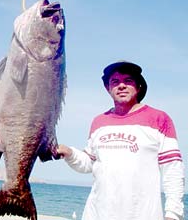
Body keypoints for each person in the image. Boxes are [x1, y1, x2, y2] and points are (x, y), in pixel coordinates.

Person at [57, 61, 185, 220]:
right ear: (108, 88)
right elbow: (89, 163)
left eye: (128, 81)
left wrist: (173, 214)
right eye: (115, 82)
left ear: (138, 86)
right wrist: (69, 153)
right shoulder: (99, 121)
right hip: (96, 214)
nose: (121, 86)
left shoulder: (159, 119)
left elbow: (172, 170)